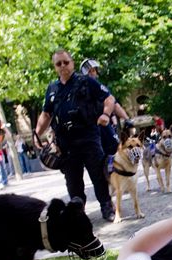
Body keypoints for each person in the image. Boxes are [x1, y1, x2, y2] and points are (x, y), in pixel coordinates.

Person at [35, 49, 116, 222]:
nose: (63, 66)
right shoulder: (52, 88)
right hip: (66, 143)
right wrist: (37, 134)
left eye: (66, 62)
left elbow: (109, 99)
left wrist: (106, 115)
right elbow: (46, 115)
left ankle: (107, 207)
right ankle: (78, 214)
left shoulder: (87, 81)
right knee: (73, 182)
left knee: (98, 175)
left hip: (88, 137)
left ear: (72, 62)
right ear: (55, 67)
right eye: (59, 63)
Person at [79, 58, 133, 174]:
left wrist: (127, 119)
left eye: (94, 71)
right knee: (95, 157)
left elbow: (114, 104)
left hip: (103, 125)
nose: (93, 73)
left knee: (114, 148)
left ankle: (116, 176)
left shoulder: (100, 88)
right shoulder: (78, 89)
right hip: (88, 129)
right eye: (90, 71)